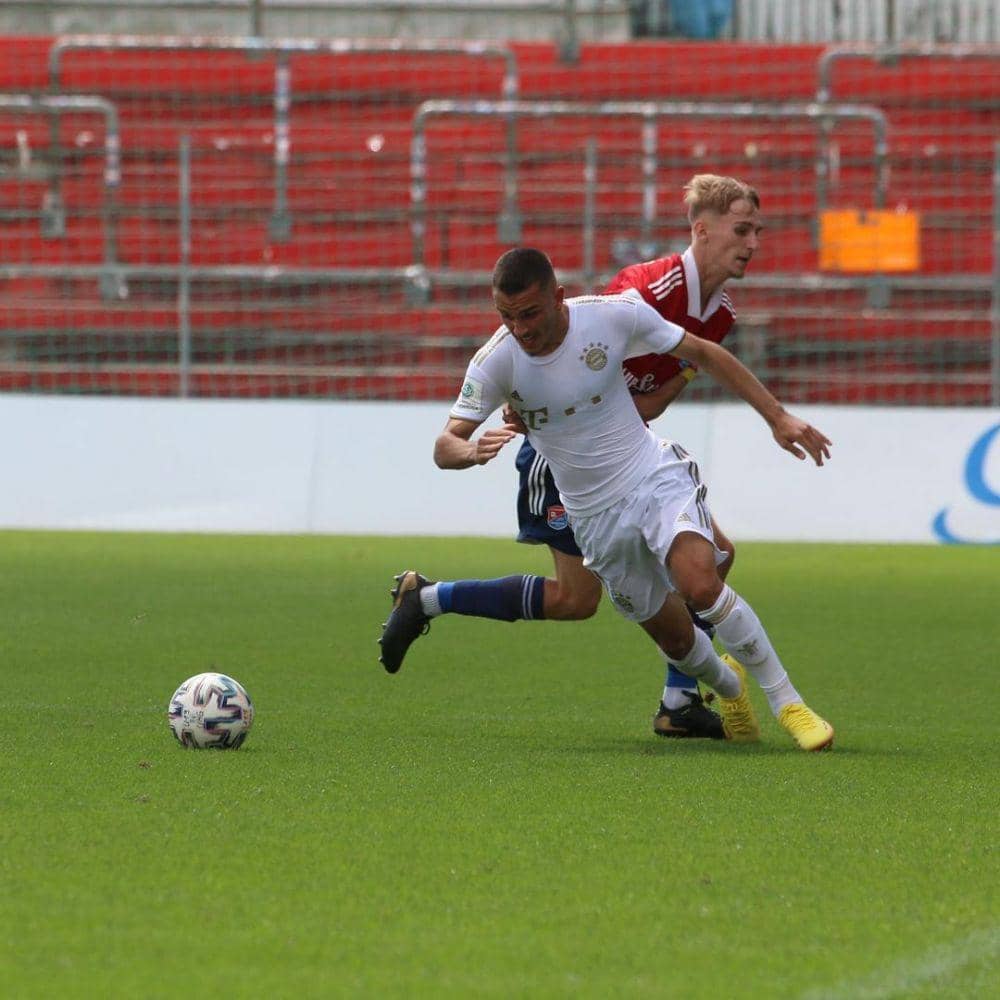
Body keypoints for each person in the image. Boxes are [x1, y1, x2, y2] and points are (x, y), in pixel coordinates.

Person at [380, 246, 835, 751]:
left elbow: (703, 352)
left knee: (701, 582)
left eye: (530, 313)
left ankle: (788, 703)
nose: (521, 329)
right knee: (678, 640)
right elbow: (445, 443)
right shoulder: (496, 361)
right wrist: (468, 450)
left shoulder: (611, 316)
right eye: (507, 316)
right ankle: (728, 689)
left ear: (559, 297)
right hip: (594, 521)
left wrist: (778, 417)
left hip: (652, 478)